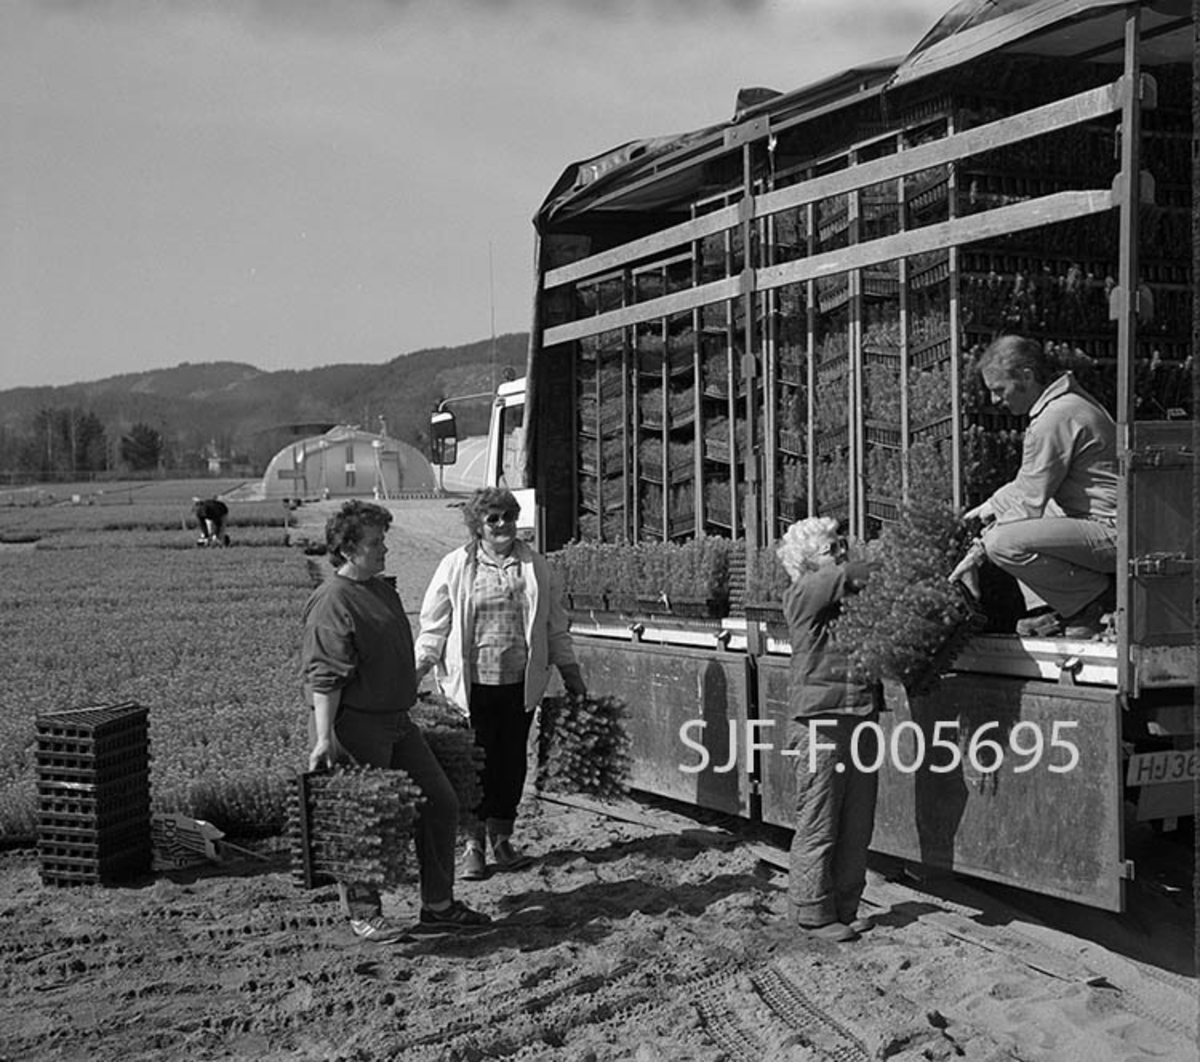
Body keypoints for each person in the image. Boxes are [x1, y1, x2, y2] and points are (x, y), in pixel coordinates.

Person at [302, 499, 489, 942]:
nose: (384, 548)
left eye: (383, 539)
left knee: (439, 802)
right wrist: (324, 737)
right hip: (354, 725)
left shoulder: (380, 588)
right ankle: (364, 912)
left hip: (396, 720)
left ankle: (438, 905)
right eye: (375, 542)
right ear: (347, 549)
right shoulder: (333, 601)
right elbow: (324, 676)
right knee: (365, 822)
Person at [415, 487, 586, 881]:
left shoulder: (535, 566)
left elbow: (554, 624)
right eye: (493, 518)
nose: (502, 525)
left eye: (508, 516)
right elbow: (434, 626)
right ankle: (473, 845)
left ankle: (502, 840)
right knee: (473, 765)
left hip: (519, 684)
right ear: (478, 525)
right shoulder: (457, 565)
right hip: (471, 688)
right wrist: (418, 670)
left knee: (510, 764)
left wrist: (570, 672)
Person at [949, 335, 1118, 638]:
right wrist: (989, 507)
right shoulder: (1066, 405)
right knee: (1016, 518)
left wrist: (978, 551)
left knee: (1003, 541)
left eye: (999, 390)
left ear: (1026, 376)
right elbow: (1032, 482)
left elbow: (1029, 500)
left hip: (1112, 532)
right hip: (1112, 525)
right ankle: (1056, 609)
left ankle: (1090, 603)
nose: (994, 401)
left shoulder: (1054, 418)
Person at [780, 516, 879, 944]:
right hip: (820, 723)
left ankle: (844, 905)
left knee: (856, 821)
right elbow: (848, 574)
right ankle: (811, 912)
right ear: (806, 562)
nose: (840, 552)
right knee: (819, 820)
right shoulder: (802, 594)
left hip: (859, 717)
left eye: (842, 544)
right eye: (830, 548)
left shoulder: (845, 602)